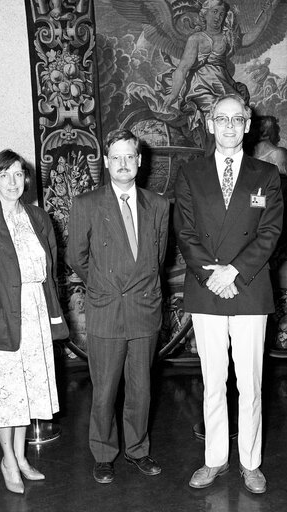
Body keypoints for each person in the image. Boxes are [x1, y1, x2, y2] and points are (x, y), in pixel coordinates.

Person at [174, 93, 283, 493]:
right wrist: (214, 275)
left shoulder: (267, 175)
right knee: (213, 380)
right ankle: (214, 459)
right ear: (210, 124)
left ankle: (250, 462)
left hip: (249, 288)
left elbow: (270, 233)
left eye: (238, 119)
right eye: (222, 119)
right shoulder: (190, 173)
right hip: (207, 291)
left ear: (248, 124)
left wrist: (234, 271)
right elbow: (185, 233)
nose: (230, 127)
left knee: (250, 383)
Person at [0, 149, 68, 494]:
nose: (12, 182)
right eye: (5, 175)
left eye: (19, 174)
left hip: (35, 314)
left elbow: (50, 272)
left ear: (26, 179)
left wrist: (53, 317)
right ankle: (8, 459)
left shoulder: (38, 217)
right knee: (7, 396)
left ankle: (22, 458)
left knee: (27, 394)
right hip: (2, 317)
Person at [67, 128, 169, 485]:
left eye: (130, 157)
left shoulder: (158, 205)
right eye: (117, 157)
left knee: (141, 389)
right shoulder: (87, 204)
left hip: (144, 310)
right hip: (106, 309)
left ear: (139, 162)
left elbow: (158, 257)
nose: (124, 164)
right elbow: (76, 257)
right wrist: (104, 285)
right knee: (105, 389)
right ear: (106, 162)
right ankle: (104, 453)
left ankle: (138, 449)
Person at [161, 0, 249, 130]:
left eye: (222, 14)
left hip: (223, 85)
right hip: (200, 87)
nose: (218, 17)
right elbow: (183, 68)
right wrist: (174, 94)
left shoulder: (227, 38)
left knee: (234, 111)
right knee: (215, 116)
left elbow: (249, 39)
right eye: (215, 12)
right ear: (205, 13)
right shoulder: (196, 38)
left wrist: (266, 15)